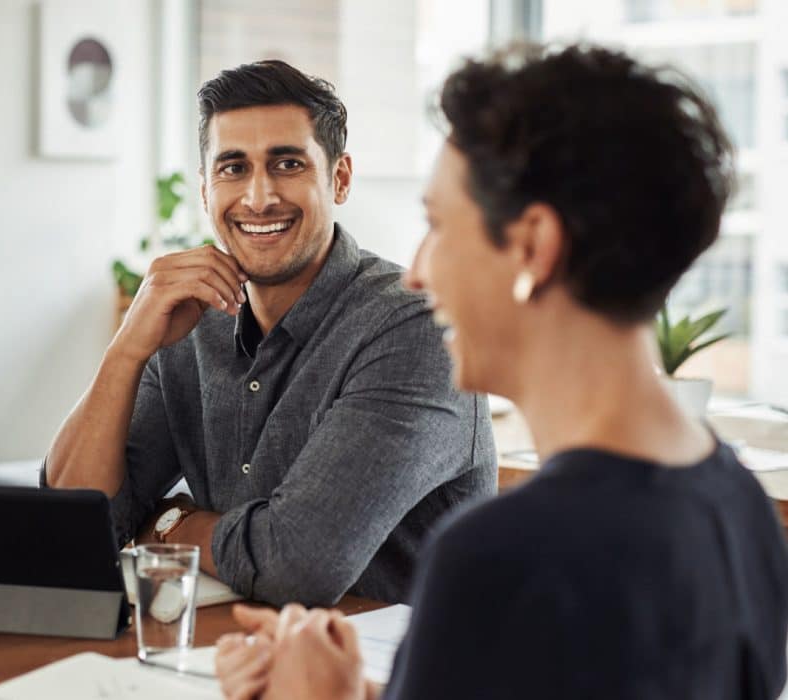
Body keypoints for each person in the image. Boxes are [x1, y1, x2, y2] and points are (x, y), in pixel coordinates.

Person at [215, 43, 788, 699]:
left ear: (532, 248)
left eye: (438, 226)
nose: (417, 271)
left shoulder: (502, 559)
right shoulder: (736, 501)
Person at [43, 60, 496, 606]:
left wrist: (169, 524)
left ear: (340, 178)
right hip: (233, 658)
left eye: (287, 163)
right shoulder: (192, 321)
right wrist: (126, 350)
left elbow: (299, 565)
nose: (258, 198)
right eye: (233, 168)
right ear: (206, 189)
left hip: (384, 678)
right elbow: (70, 522)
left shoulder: (413, 329)